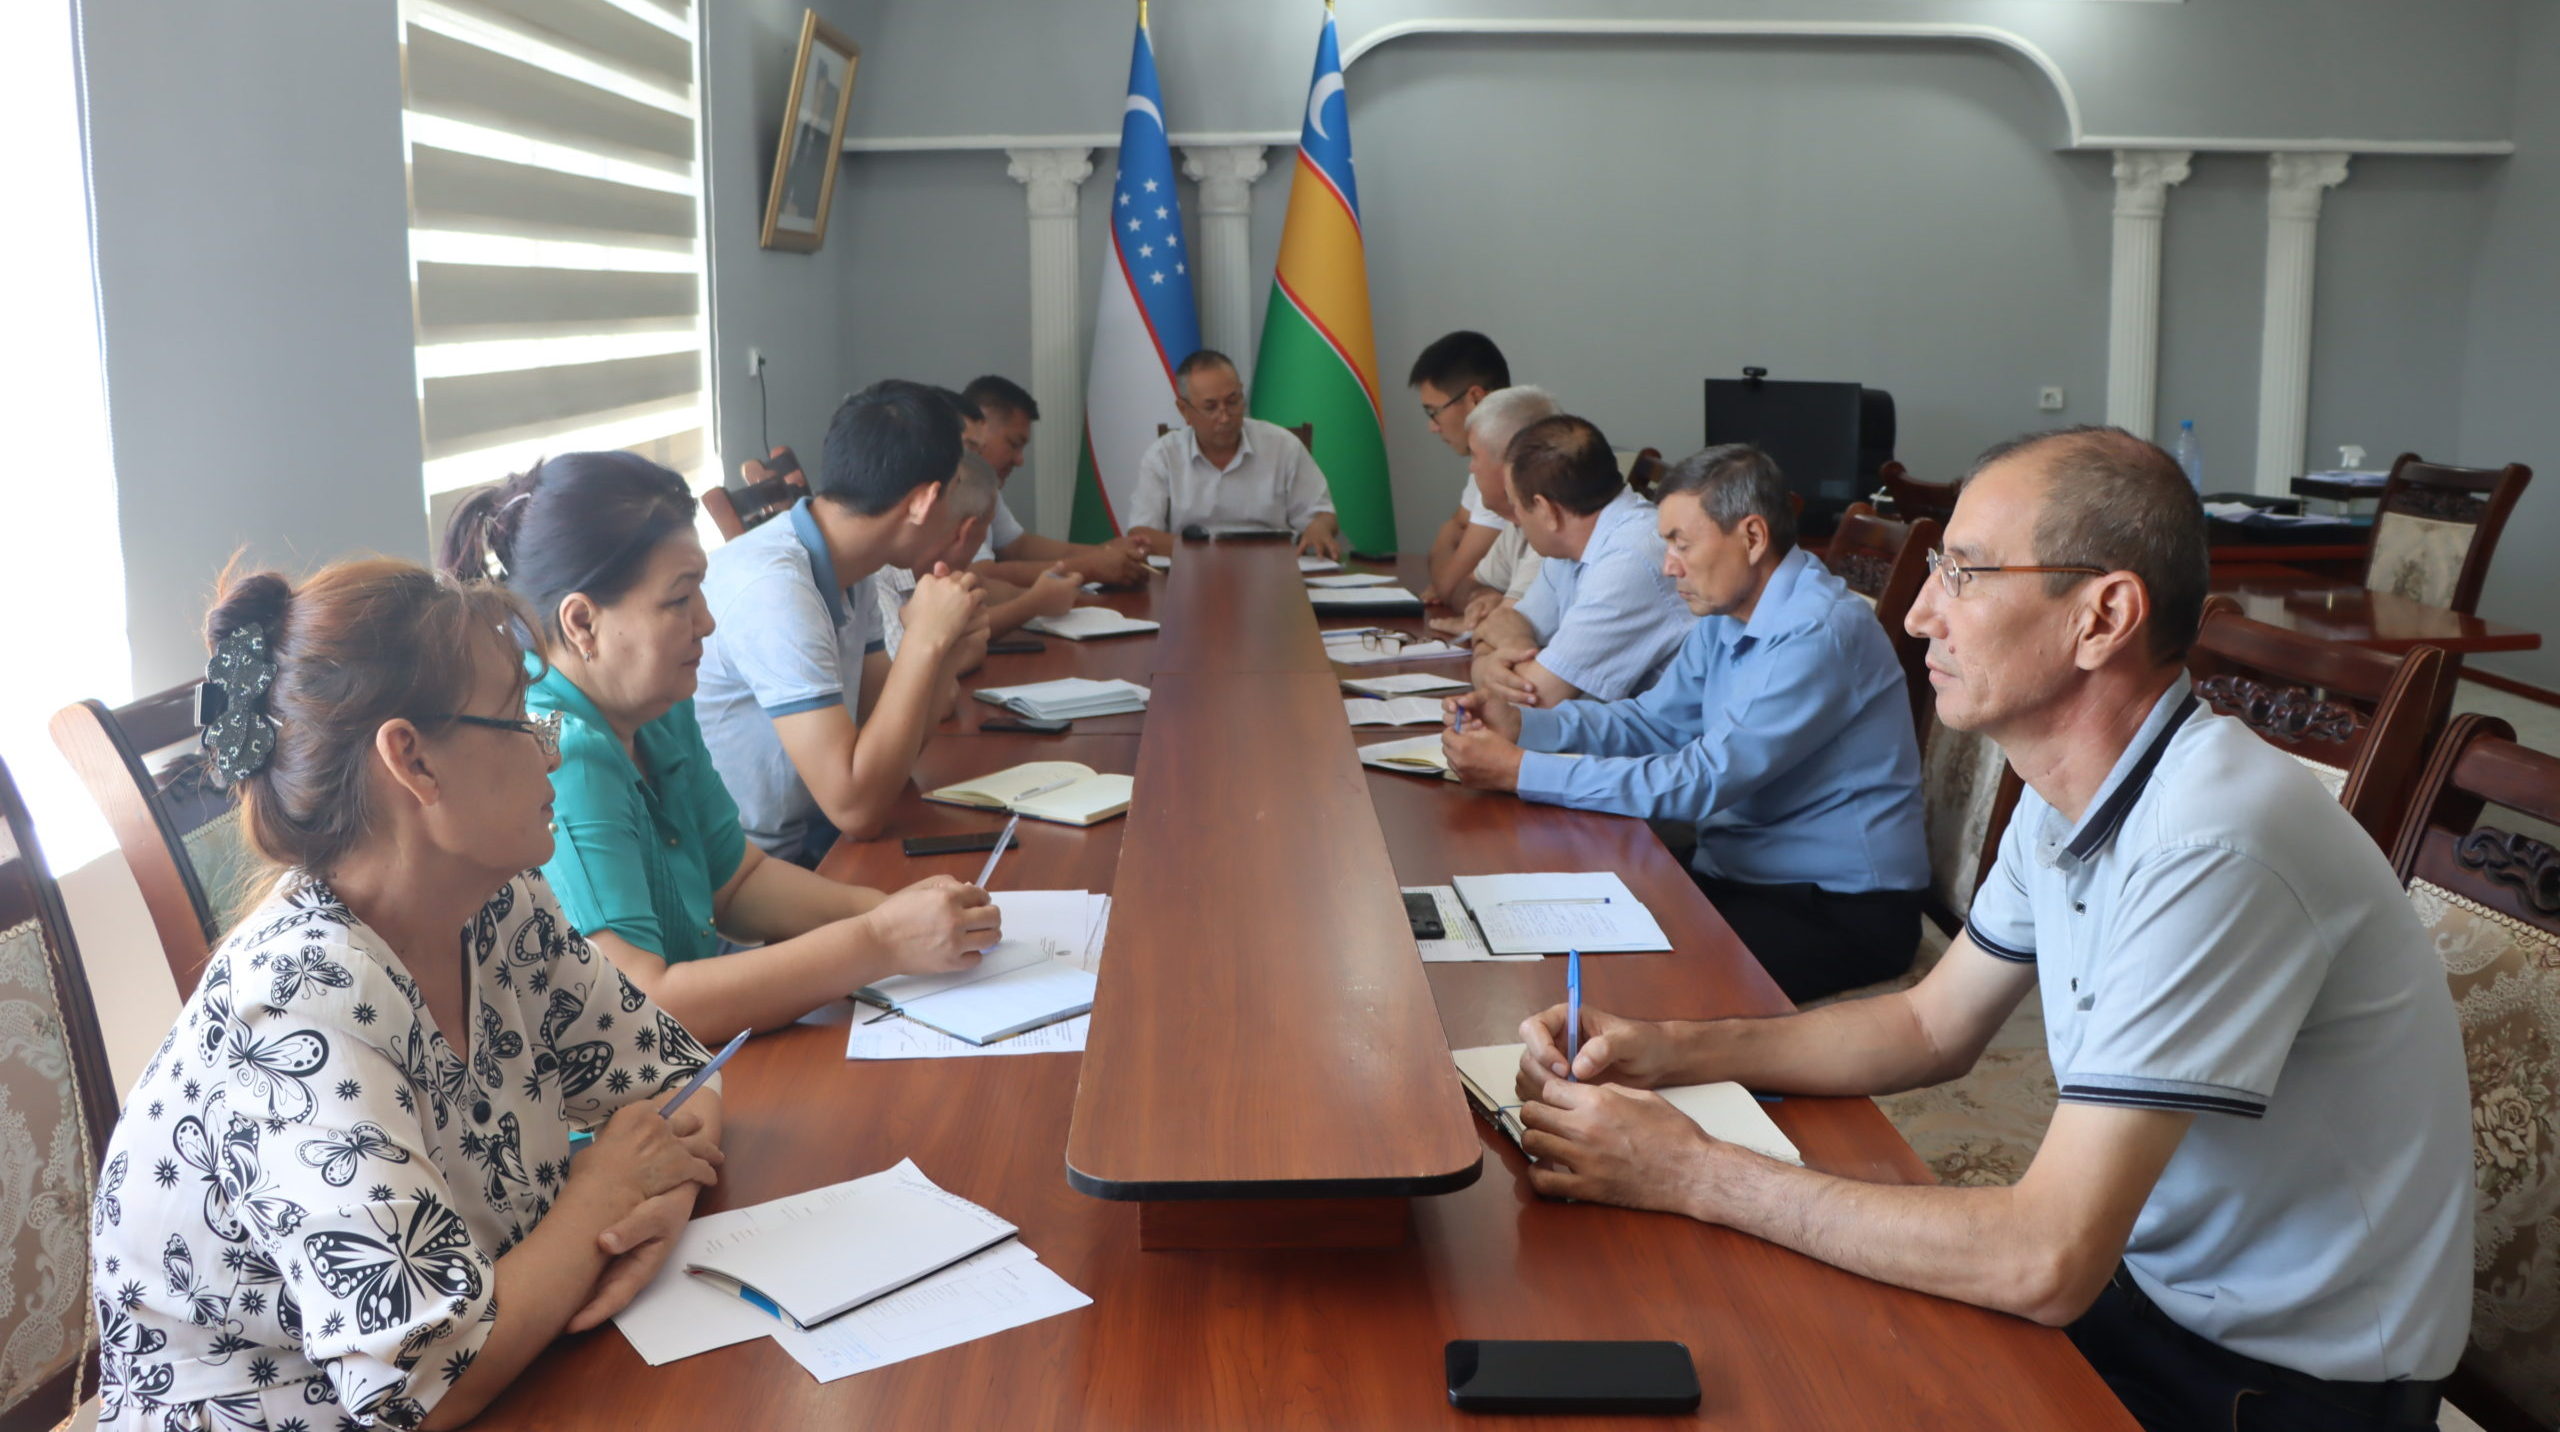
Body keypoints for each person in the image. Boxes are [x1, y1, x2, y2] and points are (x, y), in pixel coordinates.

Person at [1510, 427, 2472, 1432]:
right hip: (2144, 1299)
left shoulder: (2213, 841)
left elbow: (2045, 1257)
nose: (1920, 613)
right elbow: (1928, 1025)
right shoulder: (2073, 790)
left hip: (2268, 1389)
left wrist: (1694, 1172)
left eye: (1963, 574)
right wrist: (1669, 1048)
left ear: (2102, 618)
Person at [91, 558, 727, 1431]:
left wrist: (652, 1207)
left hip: (524, 1364)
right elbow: (424, 1387)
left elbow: (682, 1085)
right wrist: (601, 1201)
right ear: (413, 760)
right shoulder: (296, 1006)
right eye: (518, 717)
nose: (551, 745)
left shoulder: (498, 902)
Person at [442, 451, 1000, 1043]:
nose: (706, 622)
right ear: (582, 623)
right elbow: (641, 1005)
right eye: (679, 600)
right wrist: (879, 941)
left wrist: (886, 909)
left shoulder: (655, 705)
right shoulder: (561, 755)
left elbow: (736, 881)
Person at [1444, 444, 1928, 1001]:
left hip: (1838, 909)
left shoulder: (1817, 632)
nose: (1668, 565)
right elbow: (1653, 724)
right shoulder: (1726, 615)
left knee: (1618, 990)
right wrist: (1525, 727)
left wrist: (1521, 771)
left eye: (1681, 543)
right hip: (1738, 876)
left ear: (1752, 537)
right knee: (1551, 920)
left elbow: (1702, 780)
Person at [695, 379, 991, 859]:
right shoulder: (775, 590)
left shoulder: (855, 566)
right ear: (922, 501)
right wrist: (924, 641)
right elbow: (857, 810)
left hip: (820, 842)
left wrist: (946, 653)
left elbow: (887, 751)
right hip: (758, 870)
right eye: (955, 489)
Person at [1469, 415, 1694, 705]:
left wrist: (1485, 664)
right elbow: (1500, 622)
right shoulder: (1569, 545)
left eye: (1516, 506)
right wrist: (1508, 647)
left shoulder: (1629, 560)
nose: (1517, 520)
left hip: (1670, 732)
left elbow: (1535, 698)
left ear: (1546, 510)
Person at [1123, 350, 1344, 559]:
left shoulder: (1283, 446)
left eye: (1232, 401)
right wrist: (1213, 555)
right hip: (1193, 570)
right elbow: (1142, 533)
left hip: (1272, 571)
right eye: (1211, 407)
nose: (1225, 417)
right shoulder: (1163, 456)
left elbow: (1322, 515)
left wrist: (1319, 528)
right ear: (1184, 410)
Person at [877, 451, 1080, 656]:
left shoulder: (934, 575)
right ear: (965, 532)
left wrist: (1039, 599)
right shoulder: (878, 580)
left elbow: (974, 625)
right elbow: (908, 666)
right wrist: (1034, 604)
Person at [958, 374, 1152, 587]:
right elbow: (981, 576)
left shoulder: (984, 485)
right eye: (1013, 444)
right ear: (977, 428)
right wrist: (1090, 567)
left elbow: (1018, 546)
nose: (1020, 460)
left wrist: (1106, 551)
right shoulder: (954, 484)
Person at [1428, 384, 1558, 636]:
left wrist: (1487, 621)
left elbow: (1509, 631)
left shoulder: (1552, 533)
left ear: (1511, 462)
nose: (1471, 469)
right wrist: (1483, 599)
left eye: (1475, 456)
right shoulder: (1517, 523)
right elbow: (1464, 587)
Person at [1407, 330, 1513, 604]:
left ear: (1475, 398)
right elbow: (1457, 528)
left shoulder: (1508, 463)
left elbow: (1449, 585)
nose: (1432, 427)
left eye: (1434, 412)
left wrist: (1445, 536)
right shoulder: (1486, 455)